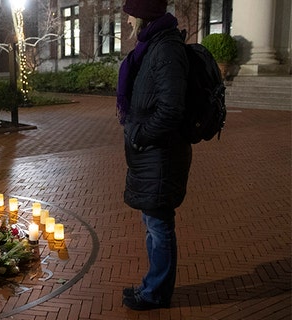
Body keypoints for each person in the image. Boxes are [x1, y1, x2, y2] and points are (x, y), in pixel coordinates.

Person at [116, 0, 192, 311]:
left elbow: (171, 110)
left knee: (160, 226)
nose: (128, 21)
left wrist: (139, 134)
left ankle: (156, 293)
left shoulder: (166, 50)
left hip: (160, 156)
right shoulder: (152, 46)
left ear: (144, 16)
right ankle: (152, 286)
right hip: (152, 156)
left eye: (131, 14)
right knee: (153, 223)